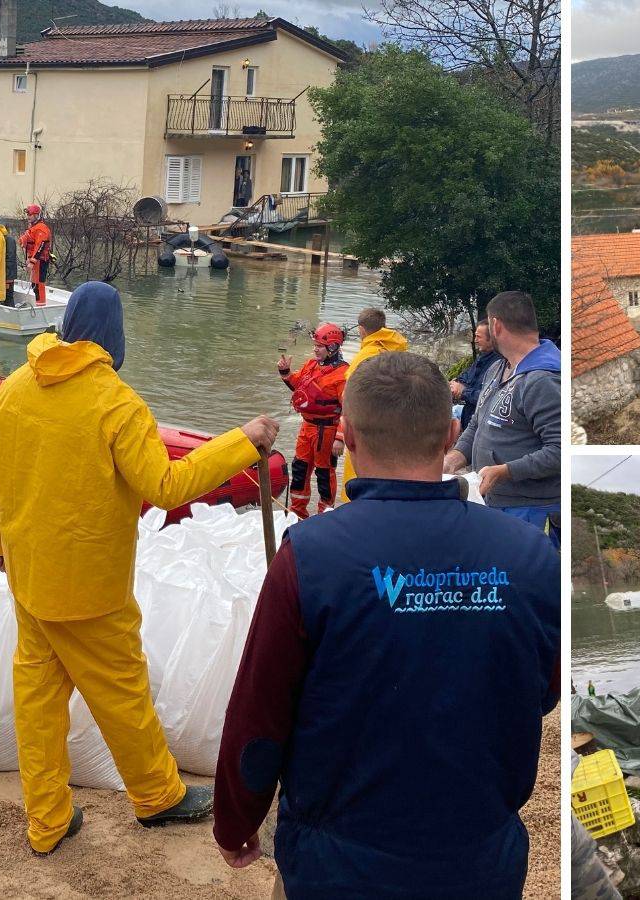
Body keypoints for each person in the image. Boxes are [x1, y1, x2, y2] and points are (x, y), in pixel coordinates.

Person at [213, 351, 559, 899]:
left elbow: (259, 713)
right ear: (451, 434)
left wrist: (235, 820)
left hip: (339, 865)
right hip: (478, 861)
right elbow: (541, 690)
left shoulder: (311, 555)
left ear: (346, 436)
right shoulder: (532, 557)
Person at [0, 281, 280, 856]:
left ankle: (46, 822)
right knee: (123, 695)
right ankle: (157, 796)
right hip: (89, 589)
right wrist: (240, 441)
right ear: (116, 336)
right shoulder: (115, 402)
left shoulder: (15, 387)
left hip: (28, 575)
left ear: (66, 324)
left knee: (38, 701)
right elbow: (165, 486)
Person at [445, 291, 560, 547]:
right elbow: (478, 422)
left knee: (523, 583)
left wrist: (506, 471)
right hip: (495, 503)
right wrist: (456, 456)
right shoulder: (497, 367)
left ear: (495, 325)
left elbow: (560, 450)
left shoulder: (543, 380)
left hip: (529, 510)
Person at [335, 307, 408, 504]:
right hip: (395, 427)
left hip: (366, 429)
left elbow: (349, 397)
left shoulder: (364, 356)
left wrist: (340, 435)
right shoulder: (398, 352)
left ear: (362, 330)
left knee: (358, 483)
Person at [277, 323, 349, 518]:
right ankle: (297, 514)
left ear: (332, 347)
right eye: (315, 345)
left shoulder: (343, 375)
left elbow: (348, 409)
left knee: (324, 475)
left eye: (319, 345)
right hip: (307, 427)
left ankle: (325, 516)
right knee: (299, 469)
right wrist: (285, 373)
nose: (315, 348)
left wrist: (340, 437)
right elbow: (299, 389)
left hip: (326, 431)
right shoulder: (311, 365)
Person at [451, 322, 502, 430]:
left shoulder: (500, 364)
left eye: (478, 337)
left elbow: (489, 397)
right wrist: (454, 385)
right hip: (468, 415)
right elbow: (466, 376)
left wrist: (463, 392)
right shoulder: (482, 357)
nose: (475, 340)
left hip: (482, 424)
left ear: (491, 339)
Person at [19, 203, 53, 306]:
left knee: (38, 285)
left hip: (40, 261)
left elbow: (40, 246)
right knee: (35, 285)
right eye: (28, 215)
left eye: (30, 215)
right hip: (34, 261)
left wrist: (32, 262)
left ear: (36, 215)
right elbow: (29, 244)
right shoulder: (33, 228)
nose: (28, 217)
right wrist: (29, 259)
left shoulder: (40, 229)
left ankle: (41, 307)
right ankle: (40, 306)